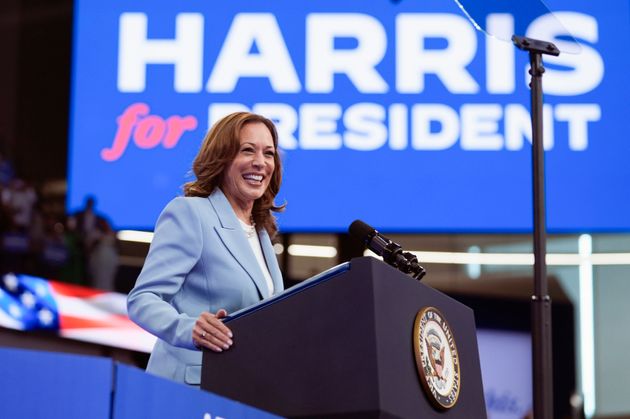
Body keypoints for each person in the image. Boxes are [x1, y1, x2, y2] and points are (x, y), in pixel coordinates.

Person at [127, 112, 285, 386]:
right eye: (247, 150)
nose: (260, 163)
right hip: (192, 390)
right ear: (222, 158)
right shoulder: (190, 214)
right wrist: (189, 329)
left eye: (268, 153)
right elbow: (143, 299)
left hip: (244, 391)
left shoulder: (261, 233)